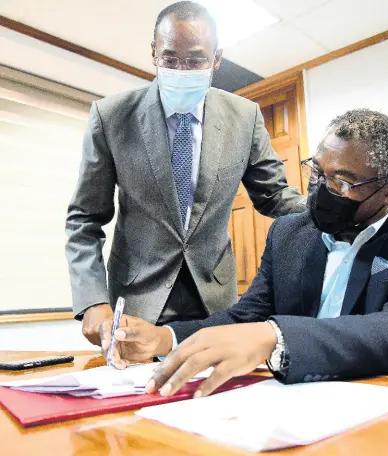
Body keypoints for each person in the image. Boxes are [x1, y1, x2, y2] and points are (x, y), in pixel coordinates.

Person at [105, 109, 388, 399]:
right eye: (317, 172)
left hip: (386, 396)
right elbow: (245, 317)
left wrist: (275, 336)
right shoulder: (289, 231)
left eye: (342, 182)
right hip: (289, 396)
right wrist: (164, 339)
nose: (321, 190)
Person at [65, 1, 306, 347]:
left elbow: (274, 197)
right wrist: (92, 299)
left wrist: (331, 208)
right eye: (170, 58)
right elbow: (84, 219)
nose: (181, 69)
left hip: (215, 301)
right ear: (153, 53)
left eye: (195, 60)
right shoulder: (111, 117)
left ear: (217, 58)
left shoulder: (244, 117)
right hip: (137, 300)